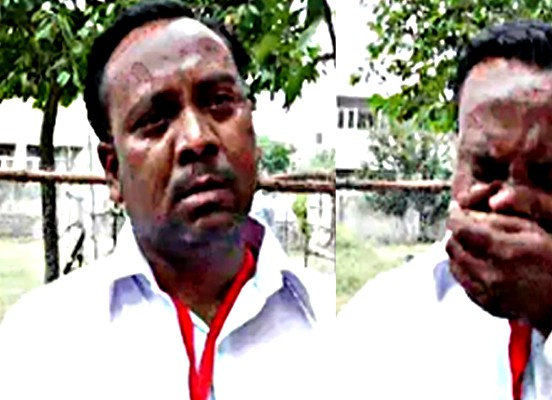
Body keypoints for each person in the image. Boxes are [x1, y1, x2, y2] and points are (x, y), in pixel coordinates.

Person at [0, 1, 332, 399]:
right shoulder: (37, 346)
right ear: (113, 171)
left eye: (219, 101)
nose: (197, 138)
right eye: (155, 120)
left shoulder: (340, 326)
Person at [336, 20, 552, 399]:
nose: (507, 201)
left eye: (549, 174)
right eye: (485, 169)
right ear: (458, 158)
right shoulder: (378, 322)